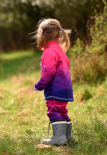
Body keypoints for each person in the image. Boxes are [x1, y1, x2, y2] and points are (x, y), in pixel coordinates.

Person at [34, 18, 74, 146]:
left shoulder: (49, 52)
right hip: (65, 88)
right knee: (62, 111)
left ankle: (58, 137)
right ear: (58, 34)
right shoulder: (60, 51)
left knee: (54, 111)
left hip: (55, 89)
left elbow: (49, 71)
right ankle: (67, 136)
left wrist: (39, 85)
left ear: (42, 35)